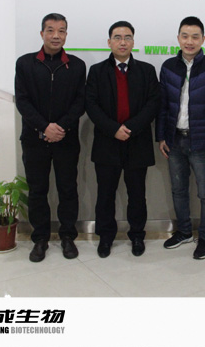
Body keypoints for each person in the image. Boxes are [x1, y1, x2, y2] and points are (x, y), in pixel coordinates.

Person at [15, 13, 86, 262]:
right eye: (50, 30)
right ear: (42, 33)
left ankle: (67, 236)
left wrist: (60, 128)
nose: (56, 36)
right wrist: (45, 127)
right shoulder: (25, 63)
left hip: (66, 139)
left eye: (61, 31)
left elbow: (80, 102)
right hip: (34, 139)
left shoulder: (76, 65)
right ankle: (40, 239)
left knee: (68, 189)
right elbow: (22, 101)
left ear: (66, 34)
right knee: (38, 190)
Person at [85, 21, 159, 258]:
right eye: (117, 37)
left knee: (137, 194)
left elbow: (153, 103)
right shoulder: (97, 71)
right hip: (107, 142)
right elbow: (91, 105)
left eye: (127, 37)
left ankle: (137, 235)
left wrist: (131, 128)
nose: (123, 42)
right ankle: (105, 237)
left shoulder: (147, 71)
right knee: (105, 194)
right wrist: (114, 129)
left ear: (133, 42)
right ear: (109, 42)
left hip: (137, 142)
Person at [156, 16, 205, 259]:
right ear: (178, 38)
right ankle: (184, 232)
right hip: (174, 139)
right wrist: (161, 136)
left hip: (203, 141)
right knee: (178, 190)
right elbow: (162, 105)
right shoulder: (168, 67)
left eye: (195, 37)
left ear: (203, 39)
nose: (189, 41)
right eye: (185, 36)